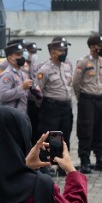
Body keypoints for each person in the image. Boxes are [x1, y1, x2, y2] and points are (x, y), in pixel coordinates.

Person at [38, 37, 84, 174]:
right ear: (52, 53)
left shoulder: (67, 66)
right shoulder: (45, 70)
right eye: (60, 51)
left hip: (66, 106)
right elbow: (38, 91)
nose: (64, 53)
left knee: (64, 136)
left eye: (64, 50)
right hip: (51, 107)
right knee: (51, 137)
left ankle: (62, 165)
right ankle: (45, 165)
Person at [73, 34, 102, 173]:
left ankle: (100, 158)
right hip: (87, 99)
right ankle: (85, 160)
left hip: (100, 99)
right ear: (92, 47)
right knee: (86, 130)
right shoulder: (83, 62)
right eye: (100, 46)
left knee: (101, 130)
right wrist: (82, 98)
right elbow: (76, 83)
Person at [0, 42, 34, 114]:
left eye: (22, 54)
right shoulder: (7, 74)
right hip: (11, 114)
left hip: (22, 113)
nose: (21, 57)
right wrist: (22, 87)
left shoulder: (22, 73)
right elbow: (2, 96)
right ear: (10, 58)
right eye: (18, 55)